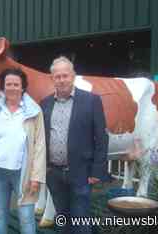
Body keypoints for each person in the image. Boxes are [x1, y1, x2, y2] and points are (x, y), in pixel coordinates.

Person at [0, 68, 46, 234]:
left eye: (16, 84)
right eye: (8, 84)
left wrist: (36, 177)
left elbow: (40, 146)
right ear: (3, 87)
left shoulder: (34, 112)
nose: (12, 87)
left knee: (26, 216)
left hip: (23, 172)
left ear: (23, 87)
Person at [40, 56, 109, 234]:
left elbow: (101, 138)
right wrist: (45, 168)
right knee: (62, 219)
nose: (62, 80)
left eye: (65, 75)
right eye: (58, 76)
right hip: (54, 174)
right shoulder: (45, 104)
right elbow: (41, 138)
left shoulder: (91, 101)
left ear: (73, 76)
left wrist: (97, 171)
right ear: (52, 78)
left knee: (81, 220)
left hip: (81, 173)